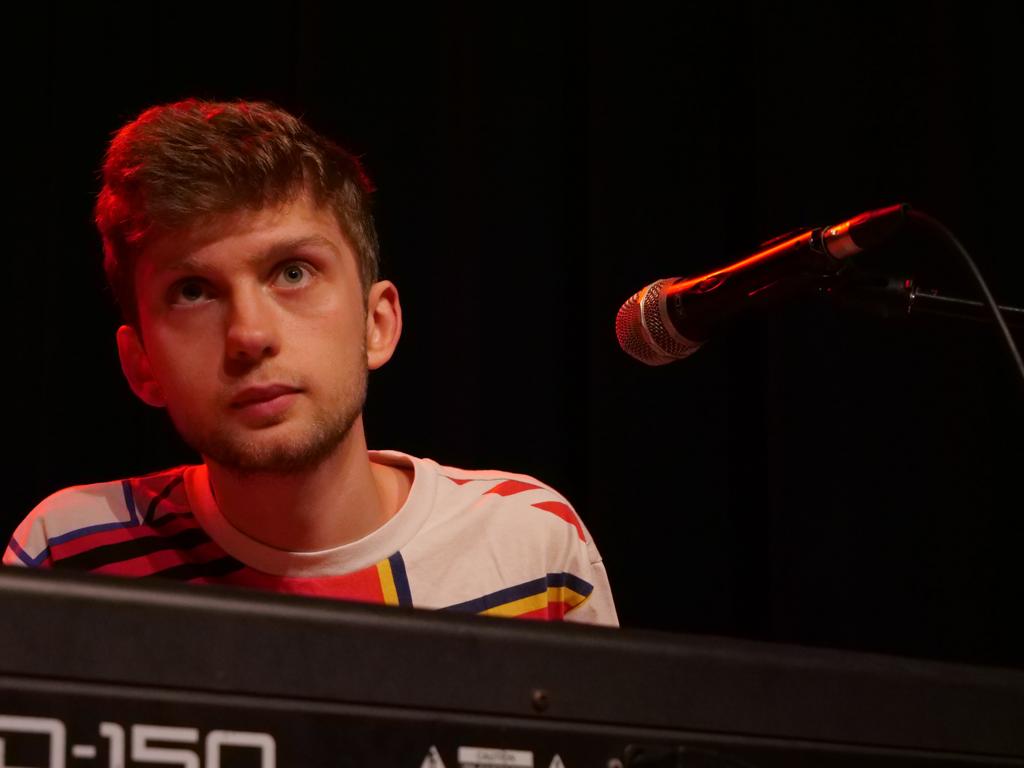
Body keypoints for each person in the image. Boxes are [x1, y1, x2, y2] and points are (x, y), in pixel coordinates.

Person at [3, 99, 617, 626]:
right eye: (193, 291)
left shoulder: (529, 544)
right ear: (140, 364)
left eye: (293, 272)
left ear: (377, 323)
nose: (249, 335)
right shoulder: (68, 555)